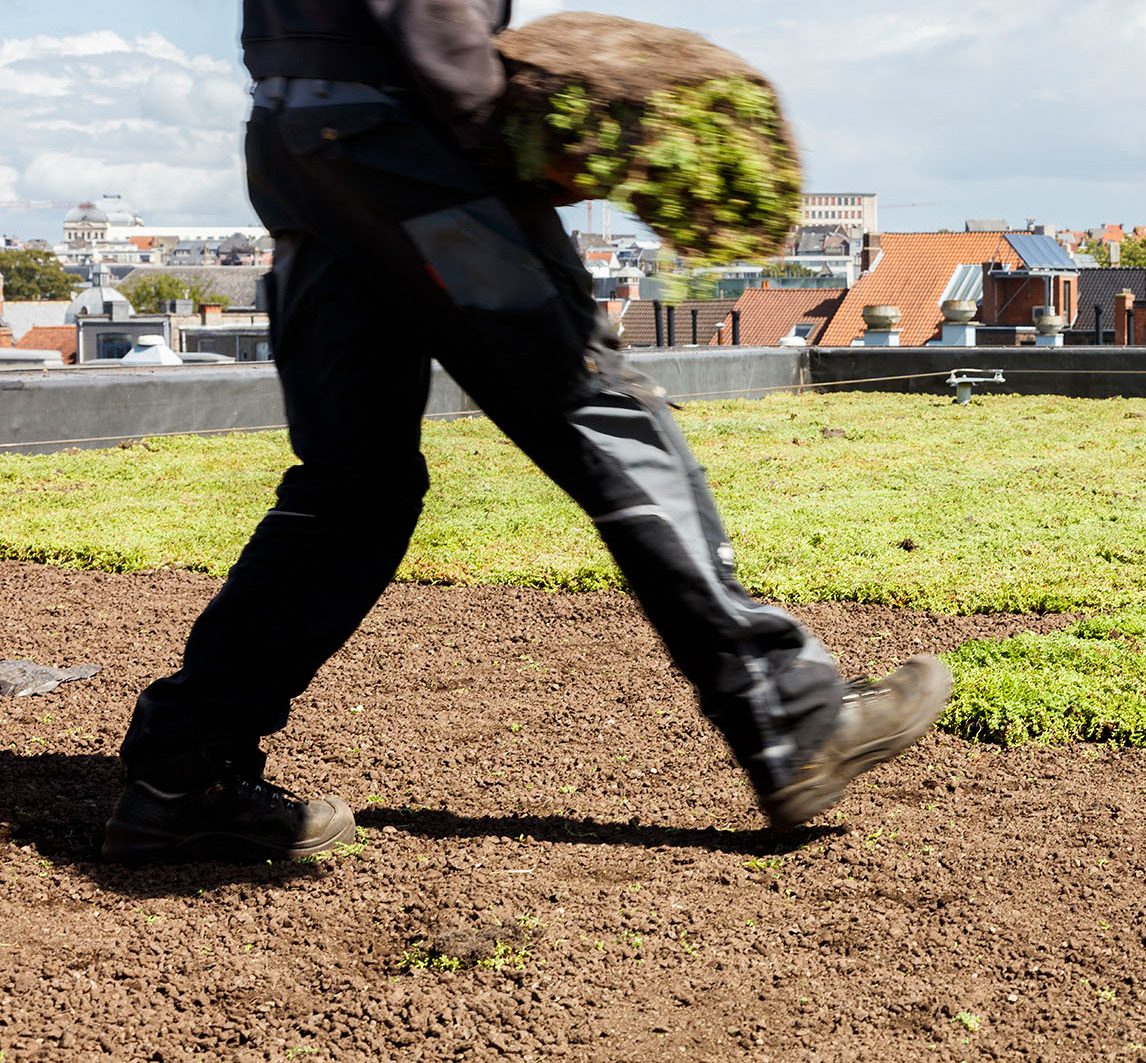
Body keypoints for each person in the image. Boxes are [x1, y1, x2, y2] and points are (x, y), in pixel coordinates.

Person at [102, 0, 951, 863]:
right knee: (598, 405)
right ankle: (789, 714)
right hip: (411, 149)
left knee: (351, 485)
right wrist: (498, 128)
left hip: (300, 147)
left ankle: (183, 773)